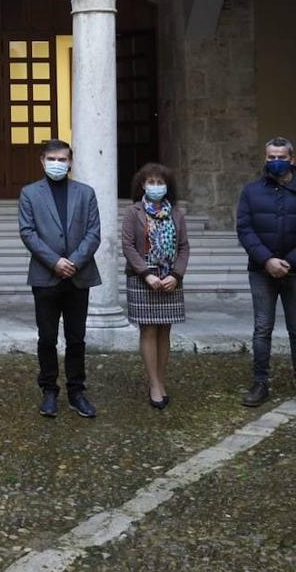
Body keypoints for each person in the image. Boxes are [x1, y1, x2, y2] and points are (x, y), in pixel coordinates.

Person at [236, 137, 296, 413]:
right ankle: (260, 383)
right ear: (266, 159)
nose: (275, 161)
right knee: (262, 330)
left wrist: (291, 261)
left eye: (280, 156)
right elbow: (245, 229)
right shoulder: (252, 192)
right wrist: (266, 260)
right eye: (271, 157)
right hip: (261, 271)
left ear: (292, 159)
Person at [17, 139, 101, 419]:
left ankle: (77, 391)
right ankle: (49, 391)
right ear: (42, 161)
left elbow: (93, 233)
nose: (57, 164)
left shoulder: (86, 193)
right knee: (47, 338)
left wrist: (74, 261)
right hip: (45, 276)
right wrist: (54, 261)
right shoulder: (29, 193)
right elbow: (28, 232)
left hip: (79, 276)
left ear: (70, 162)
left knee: (76, 338)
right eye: (52, 159)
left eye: (62, 159)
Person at [121, 163, 190, 410]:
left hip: (170, 277)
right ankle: (153, 383)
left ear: (167, 186)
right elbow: (128, 246)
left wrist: (176, 274)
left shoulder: (177, 214)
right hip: (143, 278)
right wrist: (146, 274)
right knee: (148, 330)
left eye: (160, 182)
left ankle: (162, 379)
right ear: (142, 185)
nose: (156, 187)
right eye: (151, 182)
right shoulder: (133, 212)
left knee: (165, 330)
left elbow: (183, 247)